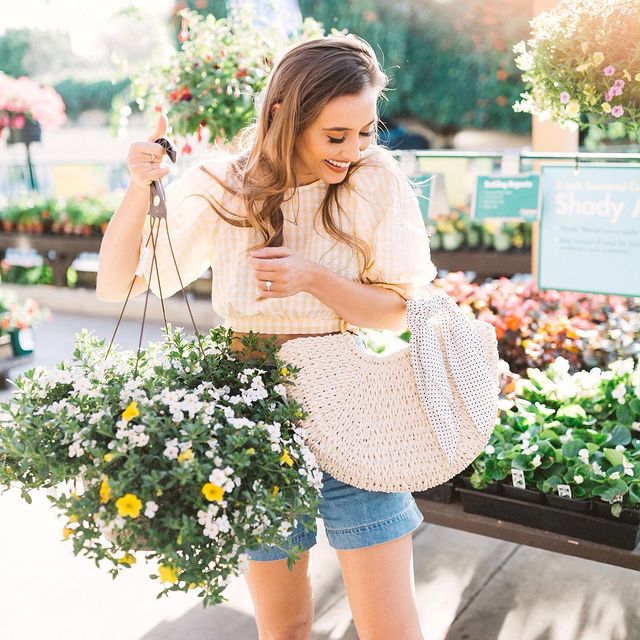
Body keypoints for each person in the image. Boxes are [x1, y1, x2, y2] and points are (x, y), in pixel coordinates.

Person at [97, 34, 437, 640]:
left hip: (354, 412)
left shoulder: (375, 182)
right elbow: (117, 283)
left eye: (365, 131)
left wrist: (314, 278)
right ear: (284, 114)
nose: (355, 150)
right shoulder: (223, 184)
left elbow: (397, 311)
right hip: (255, 420)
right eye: (337, 136)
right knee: (285, 628)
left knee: (392, 629)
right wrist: (139, 187)